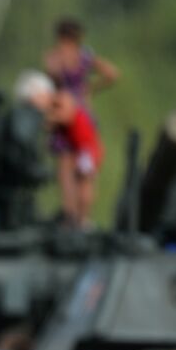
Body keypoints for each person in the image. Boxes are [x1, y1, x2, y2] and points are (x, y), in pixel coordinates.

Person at [42, 19, 118, 224]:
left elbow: (51, 83)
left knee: (66, 170)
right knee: (86, 172)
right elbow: (112, 74)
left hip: (63, 119)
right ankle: (84, 218)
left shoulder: (54, 58)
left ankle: (71, 216)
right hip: (84, 118)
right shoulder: (85, 57)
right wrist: (91, 88)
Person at [15, 70, 101, 228]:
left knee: (85, 182)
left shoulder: (63, 98)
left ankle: (84, 219)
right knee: (73, 181)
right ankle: (73, 217)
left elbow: (67, 116)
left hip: (86, 148)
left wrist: (47, 119)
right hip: (78, 147)